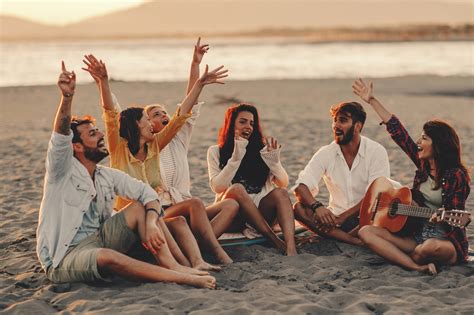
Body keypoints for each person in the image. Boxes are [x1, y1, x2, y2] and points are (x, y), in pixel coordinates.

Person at [36, 62, 216, 288]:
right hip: (65, 255)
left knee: (141, 207)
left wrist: (151, 222)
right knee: (107, 257)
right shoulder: (61, 171)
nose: (100, 134)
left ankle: (176, 266)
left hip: (102, 238)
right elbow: (64, 134)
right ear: (77, 147)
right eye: (92, 133)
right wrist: (68, 97)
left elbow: (146, 193)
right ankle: (180, 276)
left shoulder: (105, 175)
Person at [82, 49, 233, 265]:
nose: (154, 122)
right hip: (130, 219)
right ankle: (196, 261)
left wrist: (200, 84)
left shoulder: (154, 147)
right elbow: (110, 114)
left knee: (180, 221)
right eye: (147, 117)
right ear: (137, 125)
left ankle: (197, 263)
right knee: (181, 214)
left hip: (155, 215)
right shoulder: (118, 148)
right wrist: (103, 82)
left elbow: (180, 117)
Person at [353, 78, 470, 274]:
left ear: (438, 144)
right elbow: (398, 133)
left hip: (444, 240)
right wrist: (371, 100)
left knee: (430, 247)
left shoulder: (456, 175)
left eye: (424, 138)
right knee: (366, 232)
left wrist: (439, 217)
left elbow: (454, 215)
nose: (417, 141)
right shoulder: (423, 166)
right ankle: (415, 265)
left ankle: (410, 257)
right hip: (416, 235)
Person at [144, 38, 240, 242]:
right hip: (162, 213)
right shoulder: (145, 148)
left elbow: (189, 106)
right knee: (195, 204)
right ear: (146, 123)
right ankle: (204, 243)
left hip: (188, 208)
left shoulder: (179, 139)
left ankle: (201, 242)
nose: (163, 115)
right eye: (156, 114)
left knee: (231, 204)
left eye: (164, 112)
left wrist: (195, 65)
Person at [292, 101, 390, 246]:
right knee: (299, 209)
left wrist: (343, 217)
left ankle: (340, 237)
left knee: (377, 213)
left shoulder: (376, 151)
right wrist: (317, 206)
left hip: (368, 218)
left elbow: (376, 196)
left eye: (343, 120)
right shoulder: (326, 152)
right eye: (335, 120)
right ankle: (351, 240)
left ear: (358, 126)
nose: (336, 125)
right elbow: (300, 187)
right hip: (335, 221)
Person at [207, 103, 297, 256]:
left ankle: (291, 247)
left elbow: (283, 183)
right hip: (234, 215)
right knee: (236, 188)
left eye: (251, 123)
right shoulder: (216, 151)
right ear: (231, 124)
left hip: (261, 212)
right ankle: (273, 239)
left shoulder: (262, 150)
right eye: (242, 121)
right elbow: (218, 187)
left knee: (281, 193)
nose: (248, 126)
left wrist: (275, 164)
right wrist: (235, 158)